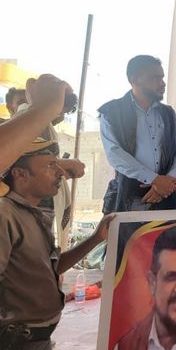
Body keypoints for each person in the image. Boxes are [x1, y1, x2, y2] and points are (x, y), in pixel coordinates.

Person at [0, 138, 113, 350]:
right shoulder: (5, 215)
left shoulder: (31, 213)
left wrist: (96, 238)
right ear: (20, 174)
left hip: (37, 340)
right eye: (50, 165)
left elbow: (52, 267)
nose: (60, 172)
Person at [99, 55, 176, 212]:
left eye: (162, 78)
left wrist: (168, 181)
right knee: (131, 230)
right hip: (130, 196)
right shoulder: (112, 112)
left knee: (169, 229)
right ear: (135, 79)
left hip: (166, 195)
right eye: (155, 78)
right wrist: (155, 180)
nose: (162, 83)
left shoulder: (167, 113)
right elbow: (115, 154)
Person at [11, 98, 85, 250]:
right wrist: (67, 164)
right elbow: (22, 160)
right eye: (51, 166)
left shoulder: (30, 217)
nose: (62, 117)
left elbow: (50, 263)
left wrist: (96, 238)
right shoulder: (8, 219)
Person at [0, 74, 73, 173]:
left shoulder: (44, 127)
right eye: (22, 103)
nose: (27, 107)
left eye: (28, 103)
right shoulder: (20, 128)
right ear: (10, 107)